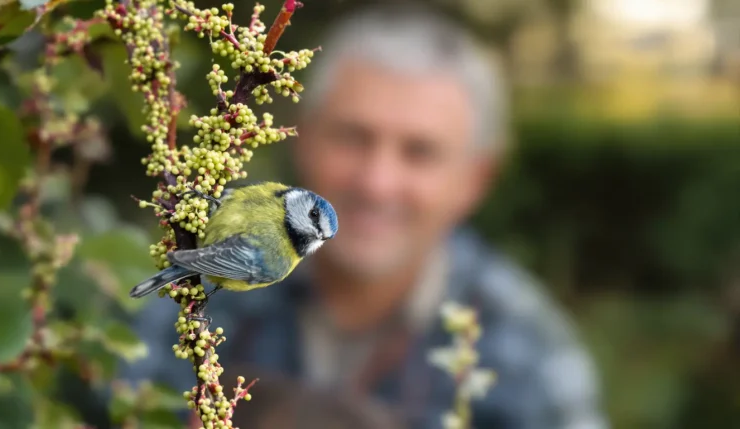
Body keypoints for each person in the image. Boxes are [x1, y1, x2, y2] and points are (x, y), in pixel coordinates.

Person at [124, 3, 609, 428]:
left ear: (475, 179)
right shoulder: (191, 303)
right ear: (304, 138)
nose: (376, 183)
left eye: (419, 152)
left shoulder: (527, 353)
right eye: (353, 137)